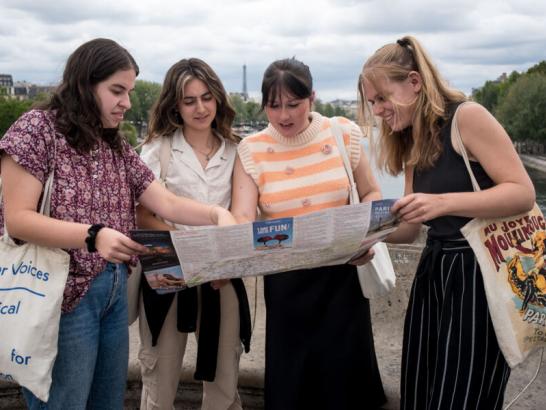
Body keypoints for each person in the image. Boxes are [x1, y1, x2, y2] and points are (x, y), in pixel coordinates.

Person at [0, 39, 236, 410]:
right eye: (117, 90)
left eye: (128, 90)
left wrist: (215, 215)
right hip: (60, 299)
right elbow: (18, 219)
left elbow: (167, 202)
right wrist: (92, 236)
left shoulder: (115, 145)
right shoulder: (36, 128)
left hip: (111, 294)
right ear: (84, 84)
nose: (127, 101)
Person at [358, 35, 536, 410]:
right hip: (435, 275)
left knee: (461, 397)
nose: (376, 111)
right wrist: (367, 237)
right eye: (371, 102)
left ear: (414, 83)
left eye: (381, 98)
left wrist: (441, 202)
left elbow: (522, 192)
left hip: (479, 276)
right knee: (422, 394)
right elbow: (409, 231)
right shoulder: (409, 137)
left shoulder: (467, 116)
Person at [231, 57, 386, 410]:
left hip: (343, 278)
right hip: (287, 286)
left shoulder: (344, 132)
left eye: (293, 104)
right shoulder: (251, 149)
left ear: (312, 98)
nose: (284, 116)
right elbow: (242, 216)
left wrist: (365, 234)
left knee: (345, 388)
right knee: (293, 388)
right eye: (274, 106)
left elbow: (372, 193)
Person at [136, 58, 251, 410]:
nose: (200, 108)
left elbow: (243, 213)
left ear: (218, 98)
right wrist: (183, 245)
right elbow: (142, 212)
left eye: (206, 97)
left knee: (224, 379)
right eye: (189, 100)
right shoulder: (158, 149)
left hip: (223, 273)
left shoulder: (238, 151)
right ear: (175, 104)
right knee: (160, 373)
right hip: (169, 270)